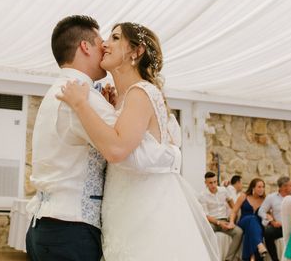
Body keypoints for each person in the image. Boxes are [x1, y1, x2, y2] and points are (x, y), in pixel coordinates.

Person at [57, 22, 218, 260]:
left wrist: (81, 104)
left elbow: (117, 149)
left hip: (144, 212)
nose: (105, 44)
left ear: (136, 51)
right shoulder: (124, 97)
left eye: (115, 38)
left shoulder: (140, 93)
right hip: (122, 211)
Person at [25, 15, 118, 261]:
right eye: (101, 43)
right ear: (85, 47)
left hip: (46, 225)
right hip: (70, 230)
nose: (106, 48)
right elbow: (120, 146)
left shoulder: (56, 90)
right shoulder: (81, 95)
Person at [199, 171, 243, 261]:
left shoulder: (223, 190)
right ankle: (209, 257)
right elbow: (206, 216)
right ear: (206, 183)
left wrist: (231, 221)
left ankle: (228, 259)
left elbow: (233, 207)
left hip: (224, 220)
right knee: (205, 232)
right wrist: (219, 223)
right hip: (212, 222)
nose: (213, 185)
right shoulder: (202, 195)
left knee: (239, 232)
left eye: (215, 182)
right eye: (210, 183)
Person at [230, 177, 267, 261]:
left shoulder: (265, 200)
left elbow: (269, 214)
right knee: (252, 218)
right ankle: (259, 245)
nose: (262, 189)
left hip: (257, 225)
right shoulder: (243, 196)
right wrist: (231, 222)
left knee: (252, 231)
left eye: (263, 187)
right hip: (244, 222)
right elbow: (234, 211)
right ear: (253, 187)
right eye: (259, 187)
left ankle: (252, 257)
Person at [258, 175, 291, 261]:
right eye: (290, 185)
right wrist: (272, 221)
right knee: (268, 232)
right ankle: (275, 259)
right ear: (284, 187)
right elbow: (261, 211)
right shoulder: (271, 197)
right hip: (280, 227)